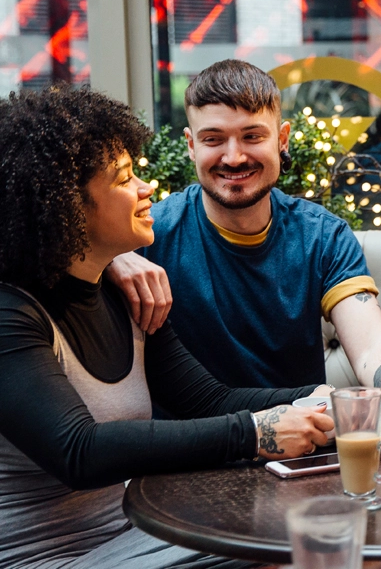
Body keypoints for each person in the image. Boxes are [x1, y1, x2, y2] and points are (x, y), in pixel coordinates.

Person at [0, 86, 333, 568]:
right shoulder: (12, 313)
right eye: (124, 178)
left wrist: (330, 400)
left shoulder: (123, 292)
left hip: (137, 529)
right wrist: (254, 433)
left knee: (322, 519)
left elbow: (209, 400)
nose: (145, 188)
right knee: (305, 541)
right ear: (66, 204)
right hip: (50, 558)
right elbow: (79, 450)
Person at [108, 60, 381, 442]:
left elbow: (371, 342)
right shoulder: (147, 237)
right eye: (213, 140)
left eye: (252, 136)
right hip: (187, 458)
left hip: (302, 450)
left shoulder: (322, 236)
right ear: (191, 146)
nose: (234, 156)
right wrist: (113, 255)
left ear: (282, 140)